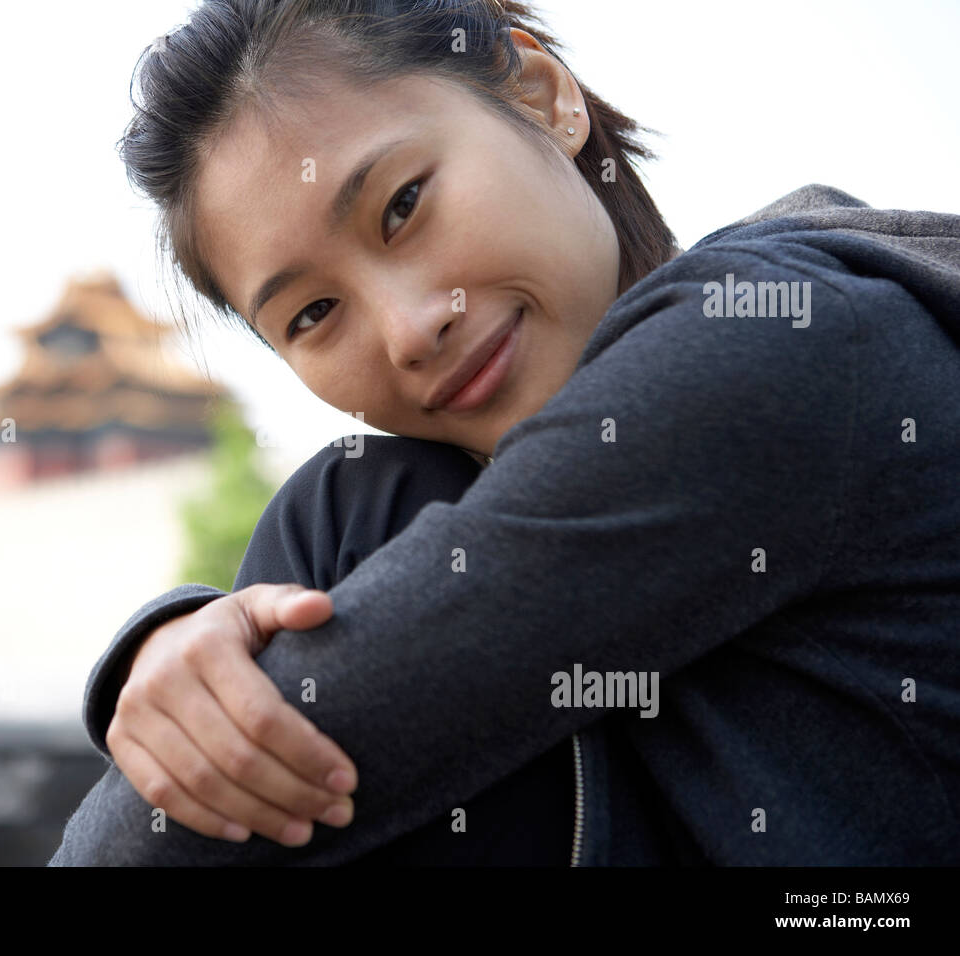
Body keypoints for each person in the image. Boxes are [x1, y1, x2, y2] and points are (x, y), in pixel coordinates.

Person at [48, 0, 960, 865]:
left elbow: (144, 846)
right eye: (315, 312)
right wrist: (187, 650)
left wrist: (194, 707)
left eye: (402, 205)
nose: (411, 329)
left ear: (542, 95)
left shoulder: (774, 336)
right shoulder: (382, 505)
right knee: (353, 499)